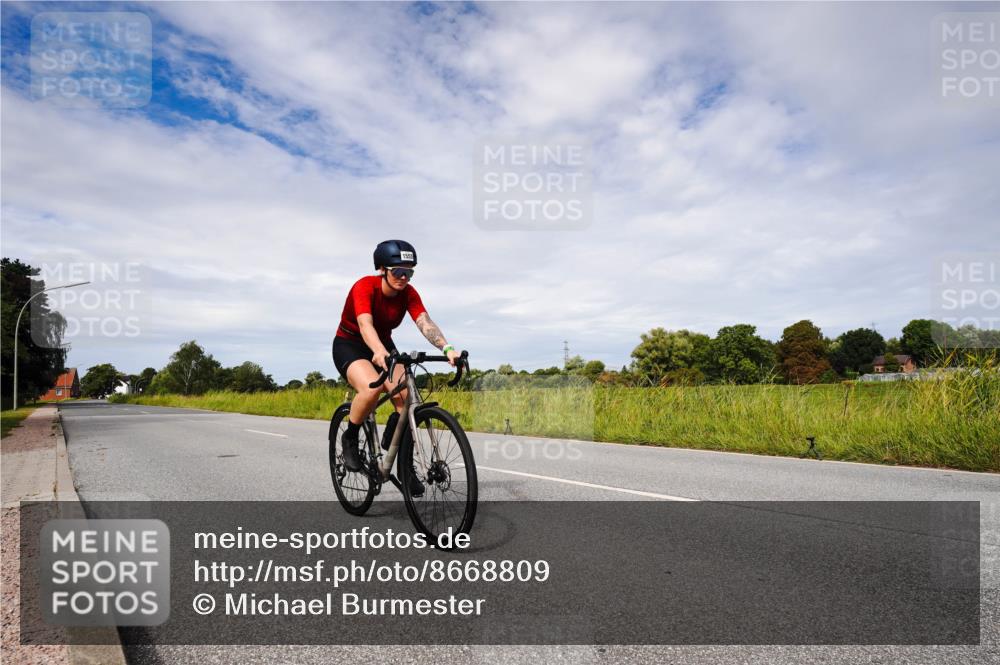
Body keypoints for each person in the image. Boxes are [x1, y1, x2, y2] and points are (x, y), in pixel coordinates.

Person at [332, 239, 461, 495]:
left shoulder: (408, 293)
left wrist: (447, 348)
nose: (404, 277)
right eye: (398, 271)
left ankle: (403, 464)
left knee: (406, 396)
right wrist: (377, 350)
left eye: (409, 273)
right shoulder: (364, 287)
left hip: (384, 344)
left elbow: (424, 322)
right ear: (382, 269)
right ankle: (351, 436)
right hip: (351, 343)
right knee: (371, 389)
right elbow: (365, 325)